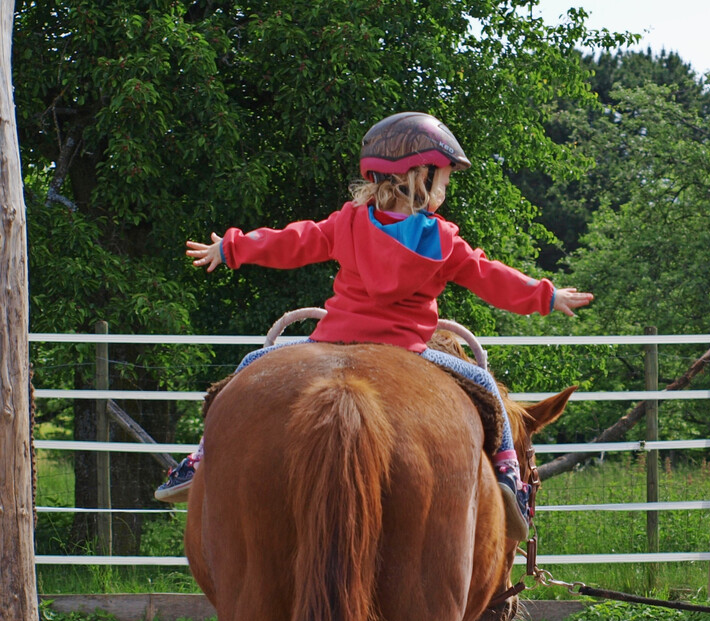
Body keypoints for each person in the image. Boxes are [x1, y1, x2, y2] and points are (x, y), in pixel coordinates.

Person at [155, 111, 593, 541]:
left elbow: (293, 240)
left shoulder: (346, 223)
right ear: (419, 178)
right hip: (406, 347)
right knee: (484, 385)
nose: (445, 186)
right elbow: (490, 276)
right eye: (443, 177)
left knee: (252, 364)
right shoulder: (444, 242)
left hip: (333, 338)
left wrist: (233, 248)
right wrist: (546, 296)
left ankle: (200, 459)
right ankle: (507, 475)